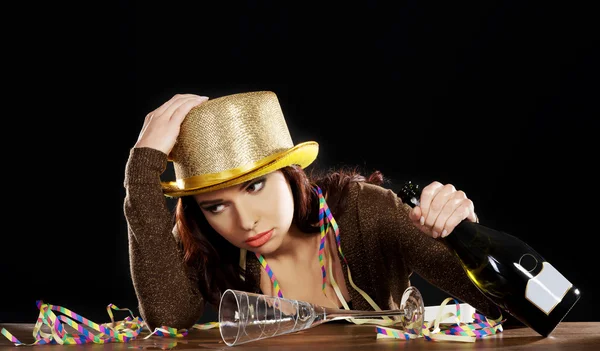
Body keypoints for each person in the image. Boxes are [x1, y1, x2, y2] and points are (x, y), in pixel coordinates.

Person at [123, 90, 503, 332]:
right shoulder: (208, 241)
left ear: (290, 174)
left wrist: (463, 237)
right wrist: (140, 174)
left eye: (255, 186)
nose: (245, 221)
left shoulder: (364, 211)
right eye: (217, 206)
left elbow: (505, 307)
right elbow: (168, 317)